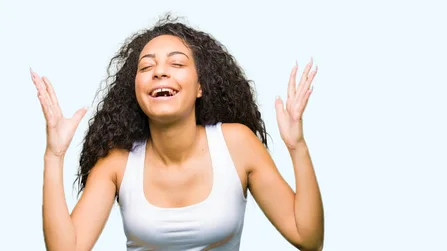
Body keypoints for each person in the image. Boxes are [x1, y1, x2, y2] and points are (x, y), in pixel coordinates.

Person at [32, 15, 324, 251]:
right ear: (135, 90)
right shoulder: (117, 161)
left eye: (177, 63)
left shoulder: (236, 143)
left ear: (200, 87)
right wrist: (54, 155)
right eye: (147, 66)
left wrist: (297, 146)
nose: (159, 72)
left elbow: (308, 238)